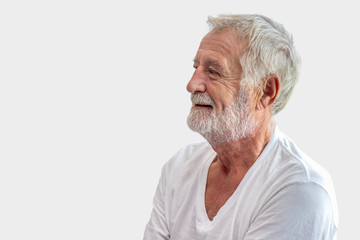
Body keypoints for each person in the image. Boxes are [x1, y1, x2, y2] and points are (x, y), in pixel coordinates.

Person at [143, 14, 338, 239]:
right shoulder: (179, 167)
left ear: (266, 91)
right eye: (196, 67)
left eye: (213, 72)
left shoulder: (301, 188)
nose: (192, 84)